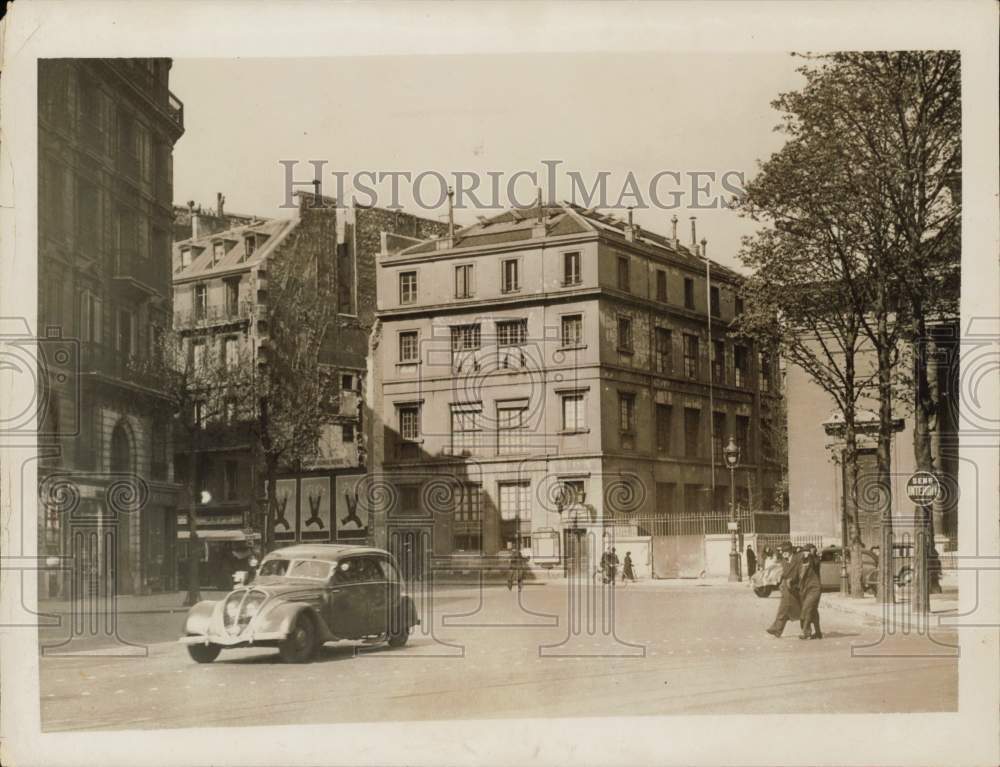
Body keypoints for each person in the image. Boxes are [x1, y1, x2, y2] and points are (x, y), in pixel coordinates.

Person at [766, 542, 801, 638]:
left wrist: (793, 580)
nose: (783, 553)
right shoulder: (783, 561)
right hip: (786, 587)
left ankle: (776, 628)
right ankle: (777, 630)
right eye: (783, 551)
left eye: (785, 551)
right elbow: (783, 573)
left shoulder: (797, 559)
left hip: (795, 587)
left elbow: (800, 572)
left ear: (790, 551)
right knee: (784, 608)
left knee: (785, 609)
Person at [797, 543, 823, 639]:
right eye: (804, 552)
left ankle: (806, 632)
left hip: (815, 589)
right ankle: (818, 632)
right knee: (813, 611)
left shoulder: (815, 560)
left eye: (807, 551)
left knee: (806, 609)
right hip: (806, 590)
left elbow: (814, 563)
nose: (805, 553)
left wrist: (811, 555)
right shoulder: (803, 562)